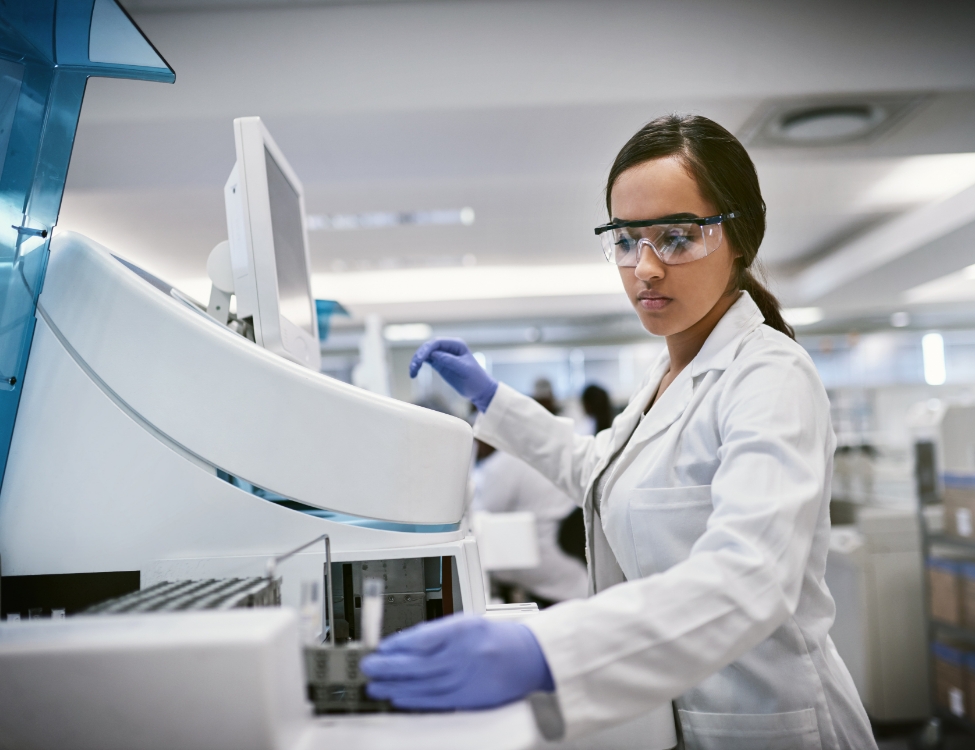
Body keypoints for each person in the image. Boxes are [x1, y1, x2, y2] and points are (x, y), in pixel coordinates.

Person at [361, 114, 875, 749]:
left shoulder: (769, 377)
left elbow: (751, 576)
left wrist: (545, 652)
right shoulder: (666, 375)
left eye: (677, 238)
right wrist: (492, 399)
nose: (645, 268)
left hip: (764, 721)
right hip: (677, 716)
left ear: (739, 239)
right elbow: (594, 468)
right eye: (627, 240)